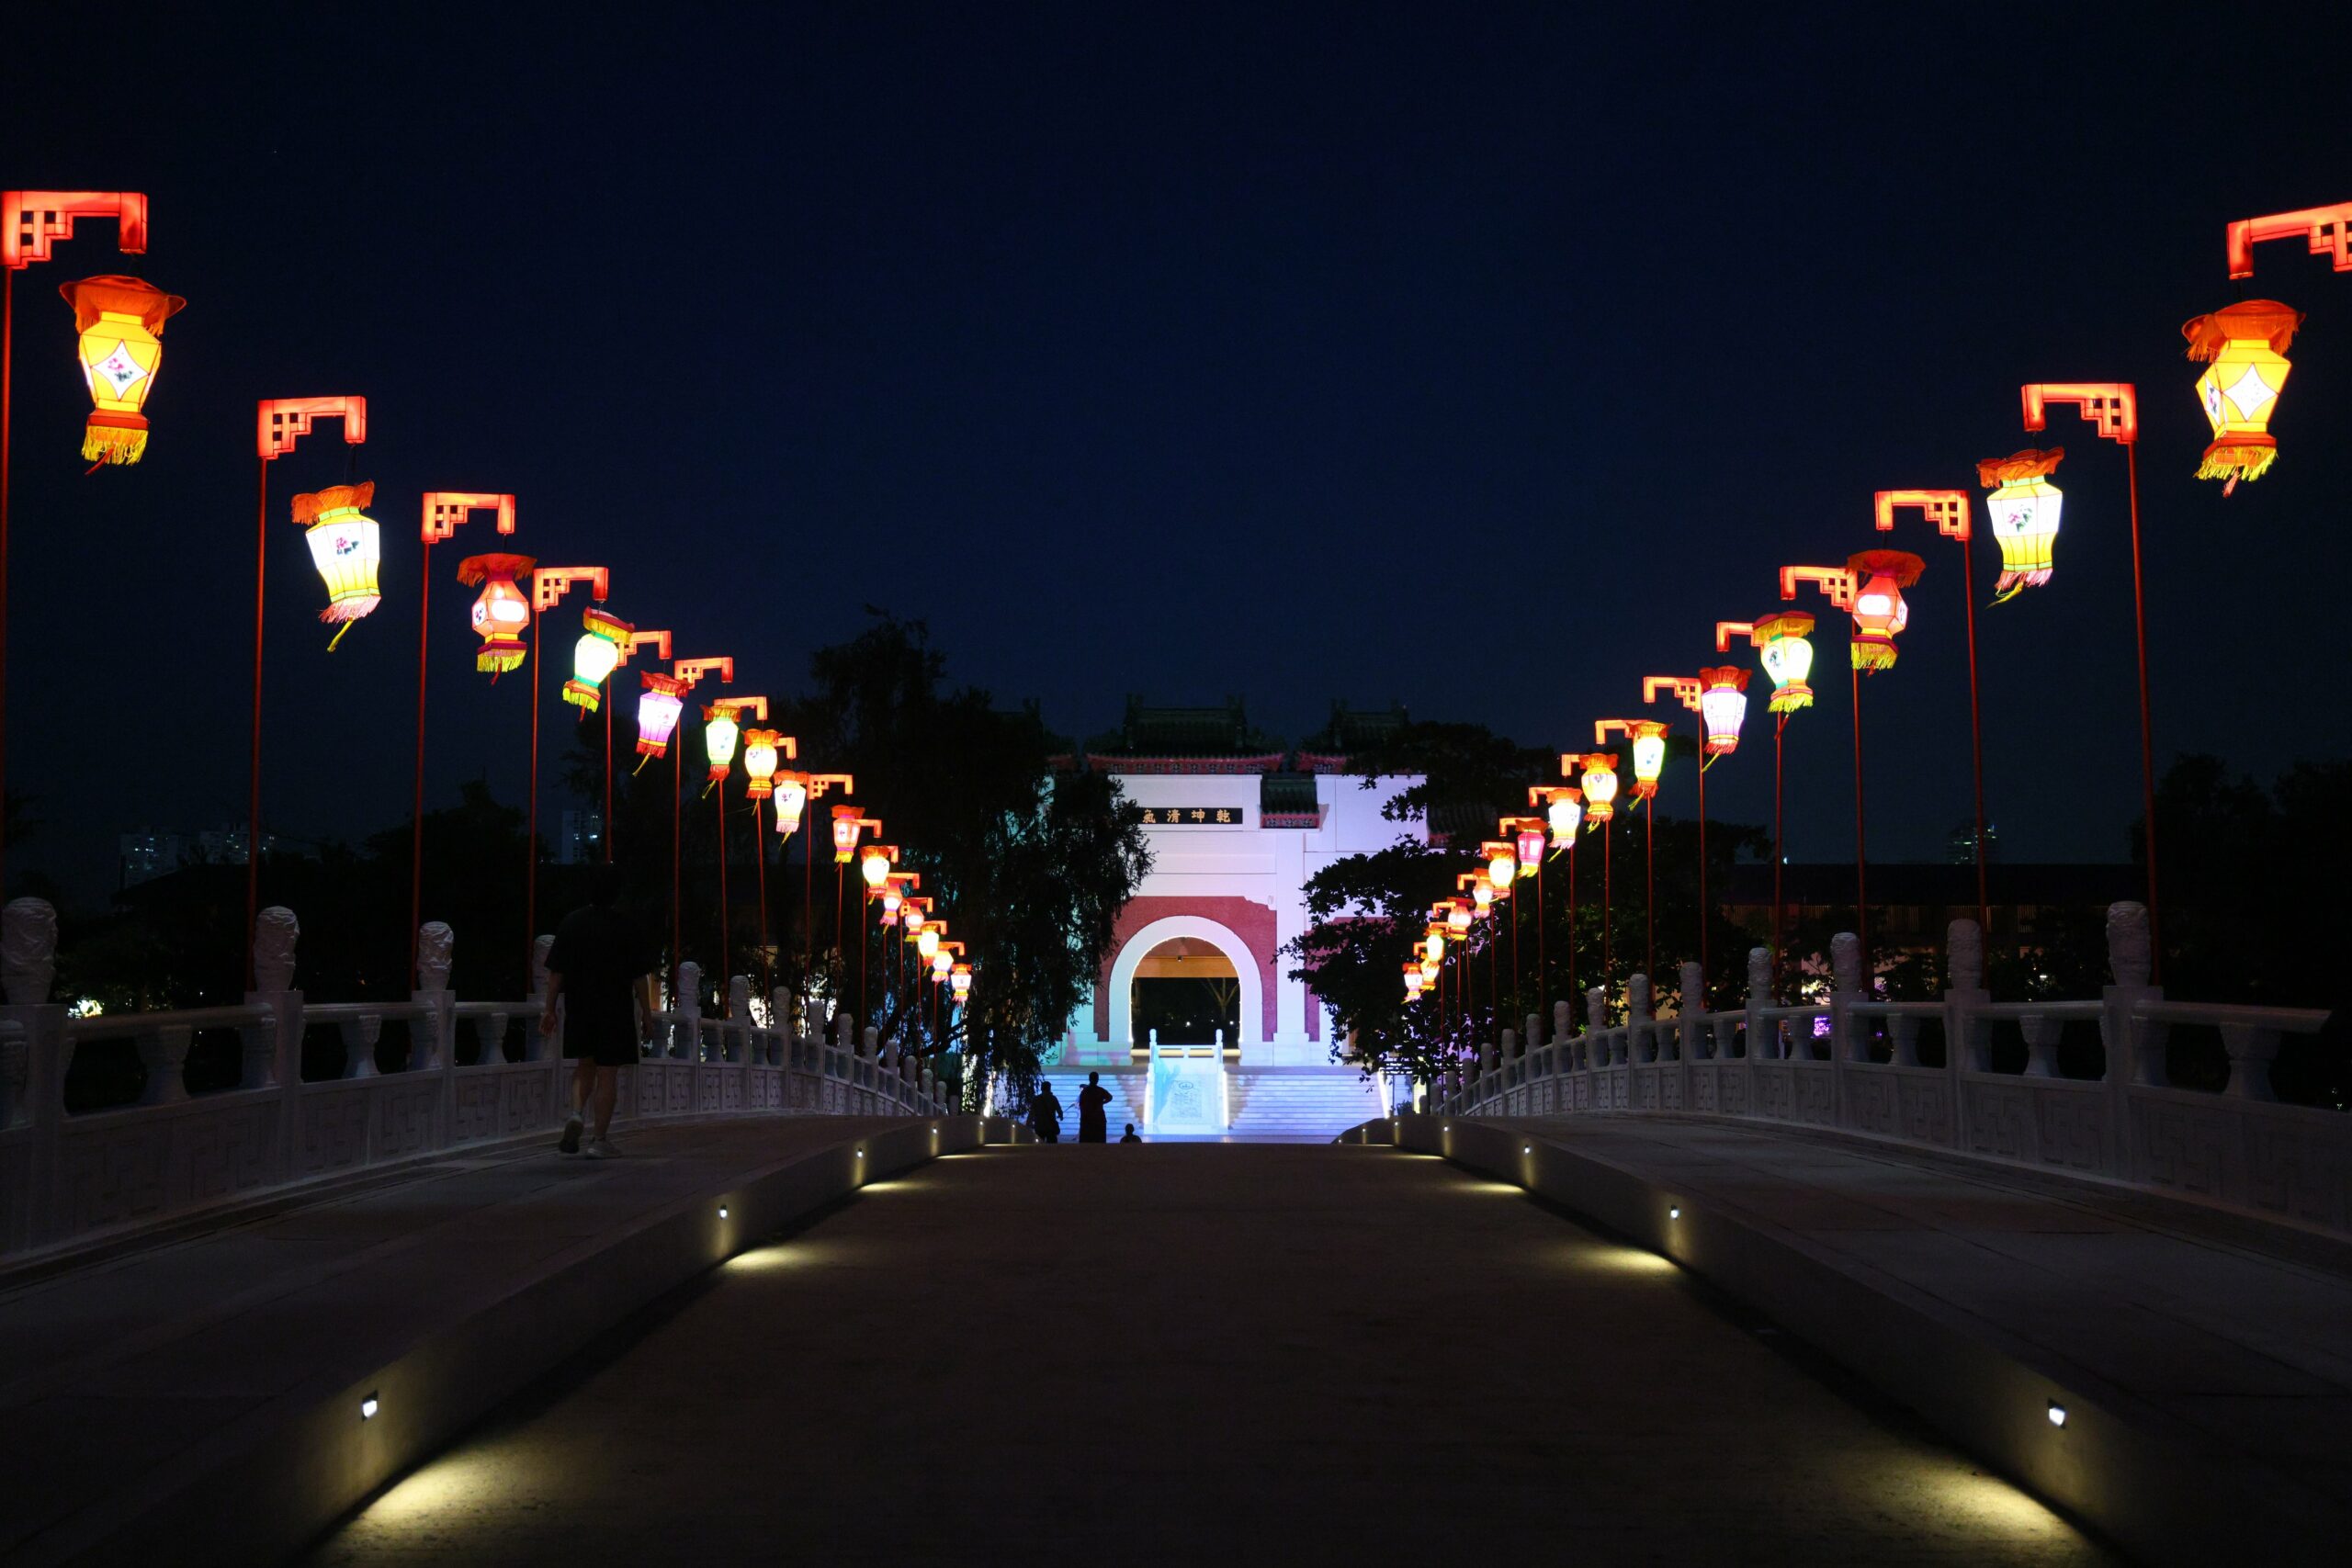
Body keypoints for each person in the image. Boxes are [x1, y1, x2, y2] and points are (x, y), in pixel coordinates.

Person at [545, 865, 659, 1159]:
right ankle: (599, 1141)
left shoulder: (572, 923)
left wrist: (549, 1009)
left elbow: (557, 972)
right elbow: (639, 977)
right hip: (615, 1008)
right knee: (607, 1074)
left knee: (585, 1065)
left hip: (580, 1006)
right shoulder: (627, 926)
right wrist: (647, 1015)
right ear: (616, 893)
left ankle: (576, 1112)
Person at [1077, 1069, 1112, 1144]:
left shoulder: (1085, 1091)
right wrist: (1102, 1103)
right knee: (1099, 1141)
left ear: (1089, 1079)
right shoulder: (1100, 1090)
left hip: (1088, 1119)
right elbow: (1110, 1097)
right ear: (1097, 1079)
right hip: (1098, 1118)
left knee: (1087, 1142)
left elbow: (1081, 1105)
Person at [1030, 1080, 1064, 1144]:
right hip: (1050, 1126)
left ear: (1041, 1088)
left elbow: (1031, 1112)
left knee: (1039, 1144)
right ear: (1049, 1088)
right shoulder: (1053, 1098)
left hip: (1039, 1126)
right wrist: (1061, 1115)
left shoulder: (1036, 1099)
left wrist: (1029, 1122)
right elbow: (1059, 1109)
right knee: (1052, 1145)